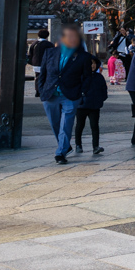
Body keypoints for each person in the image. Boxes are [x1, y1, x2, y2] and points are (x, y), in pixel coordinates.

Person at [38, 23, 95, 164]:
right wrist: (41, 89)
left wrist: (82, 92)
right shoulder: (50, 52)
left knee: (66, 124)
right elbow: (43, 73)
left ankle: (60, 153)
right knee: (55, 124)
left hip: (71, 94)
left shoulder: (83, 57)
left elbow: (87, 77)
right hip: (50, 93)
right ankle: (65, 146)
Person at [73, 56, 108, 156]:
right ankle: (78, 145)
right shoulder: (80, 76)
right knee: (80, 125)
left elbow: (104, 90)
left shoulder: (99, 77)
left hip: (94, 106)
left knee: (95, 126)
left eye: (93, 63)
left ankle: (95, 146)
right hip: (81, 106)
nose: (92, 65)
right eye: (89, 63)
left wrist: (101, 99)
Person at [27, 27, 53, 98]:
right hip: (46, 64)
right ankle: (43, 90)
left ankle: (37, 91)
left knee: (38, 77)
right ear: (47, 36)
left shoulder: (34, 44)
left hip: (36, 63)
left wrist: (32, 62)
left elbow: (30, 54)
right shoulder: (49, 44)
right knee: (46, 77)